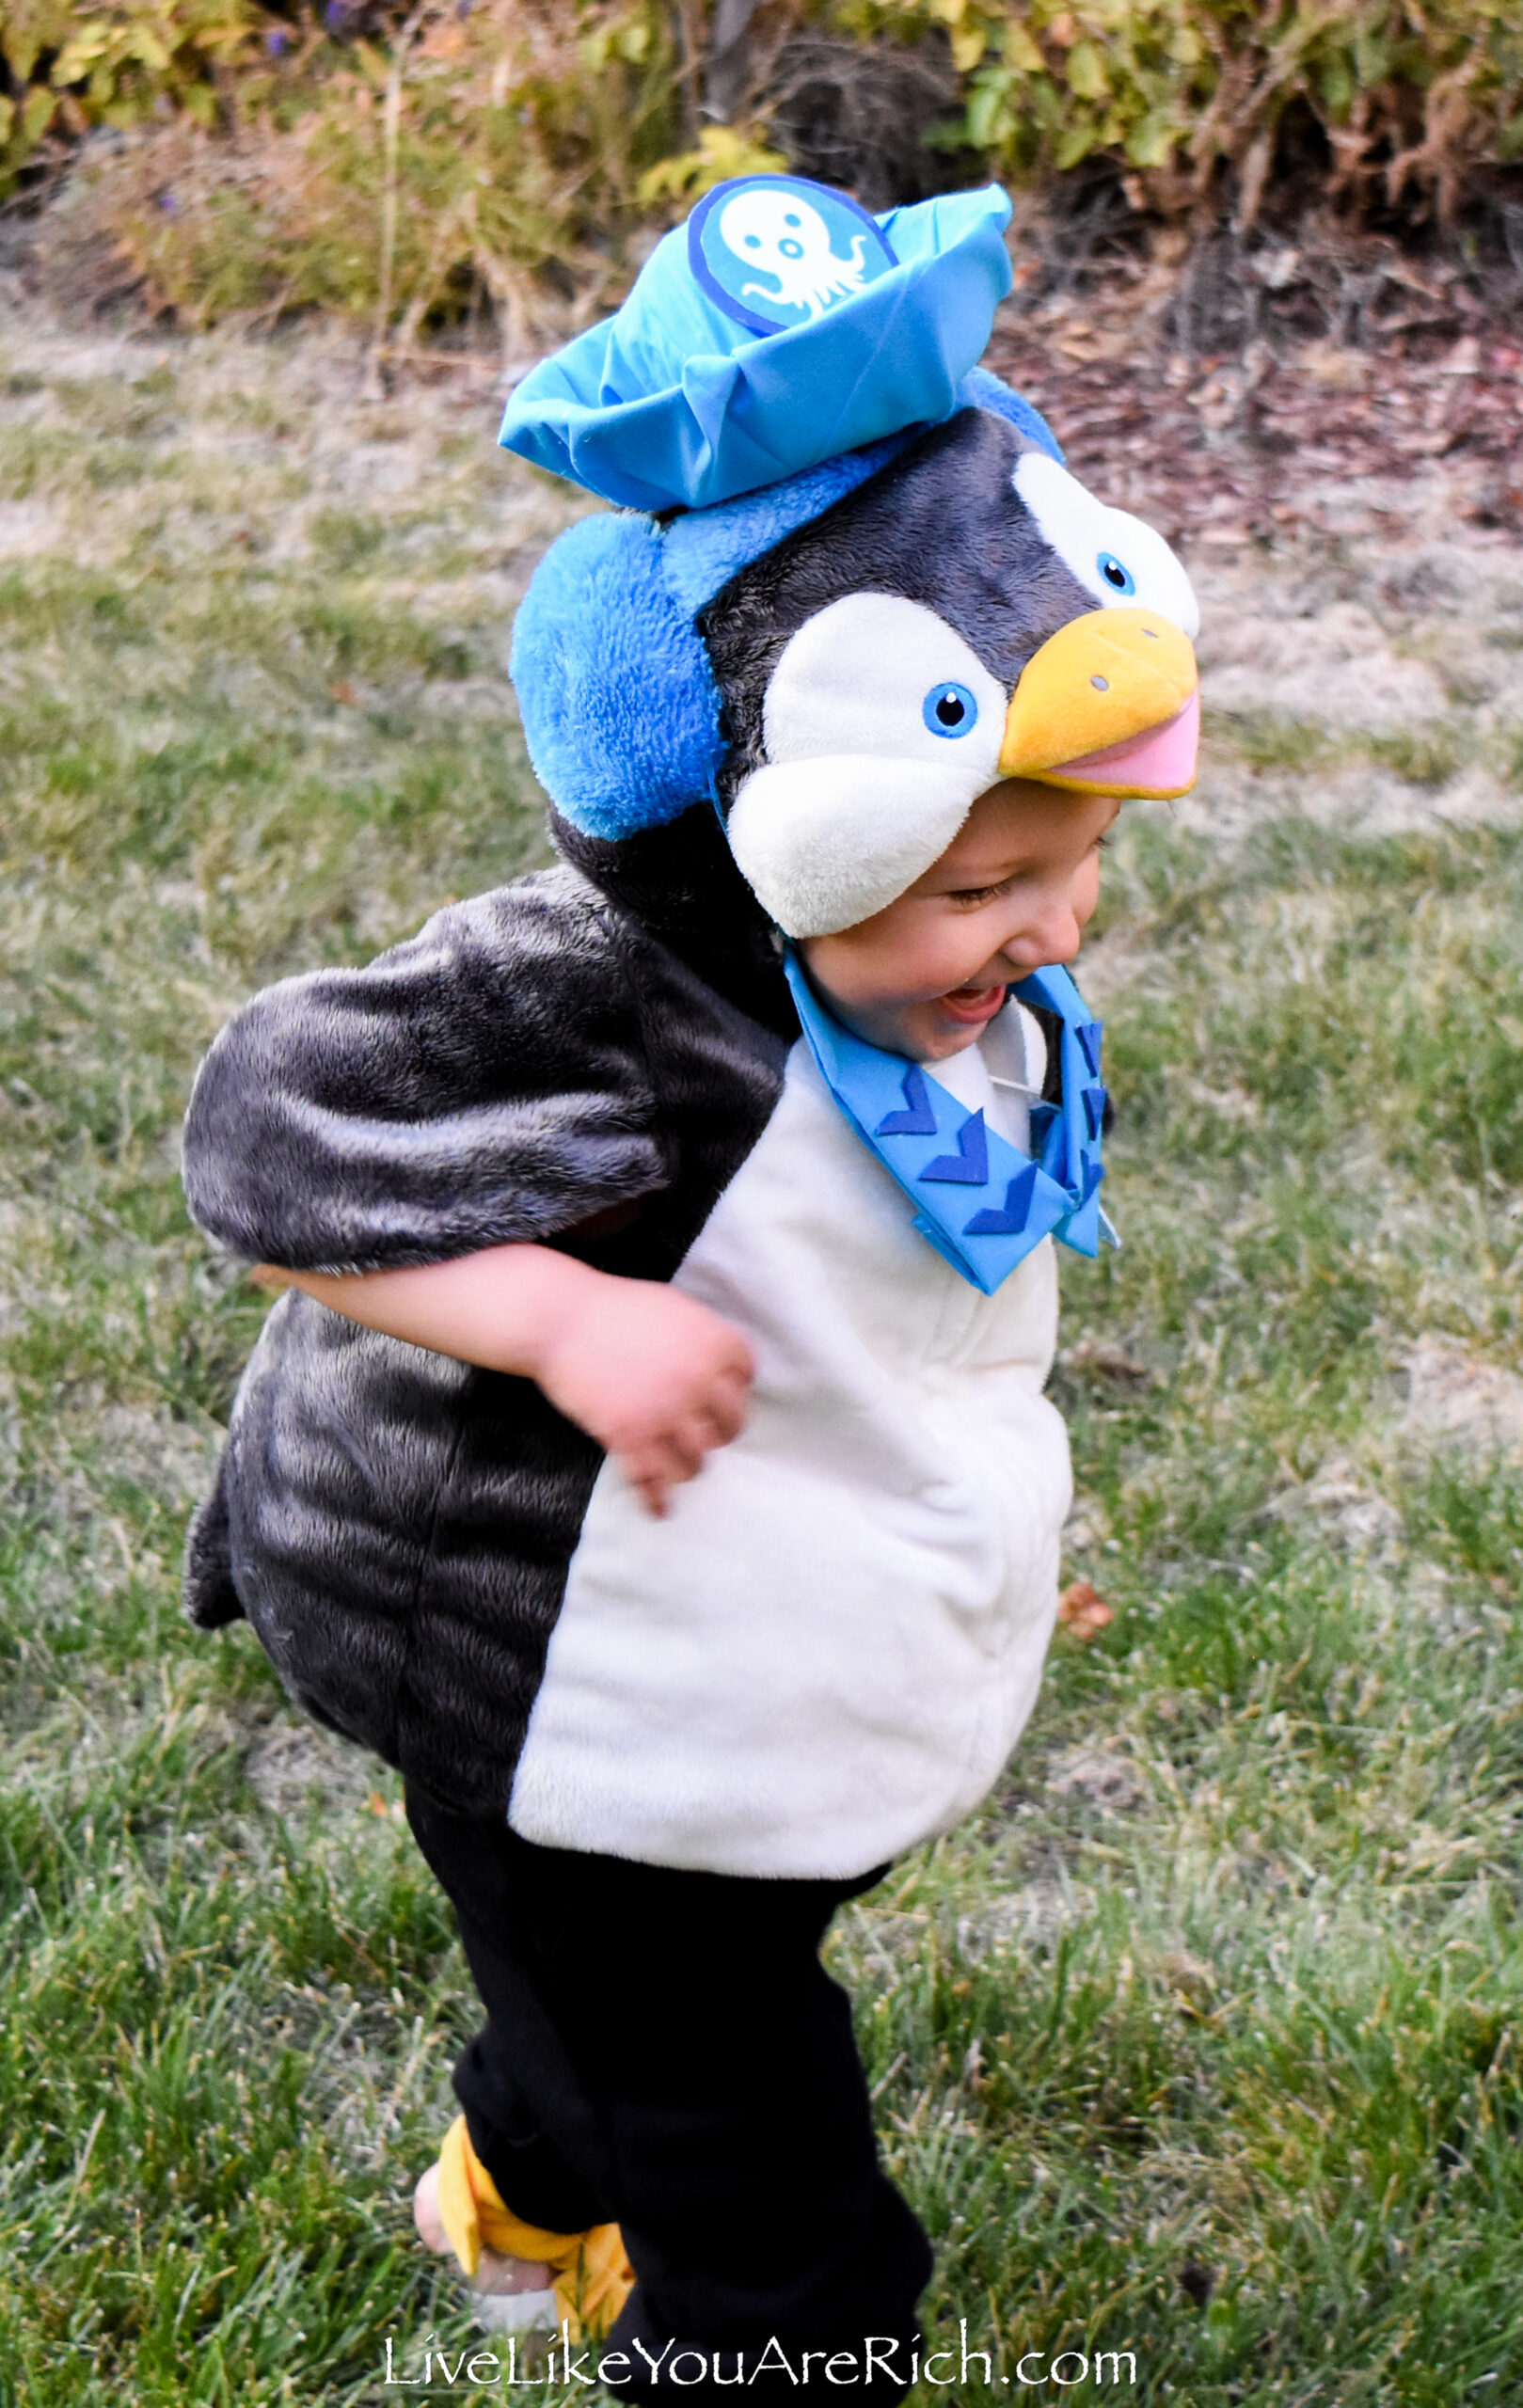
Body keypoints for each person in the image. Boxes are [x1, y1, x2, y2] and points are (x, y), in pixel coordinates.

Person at [179, 175, 1199, 2400]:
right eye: (989, 882)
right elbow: (265, 1148)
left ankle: (514, 2185)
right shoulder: (608, 994)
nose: (1053, 925)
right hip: (545, 1673)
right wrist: (567, 1318)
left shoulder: (922, 993)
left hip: (745, 1634)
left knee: (639, 2002)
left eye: (1080, 859)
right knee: (764, 2190)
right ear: (735, 807)